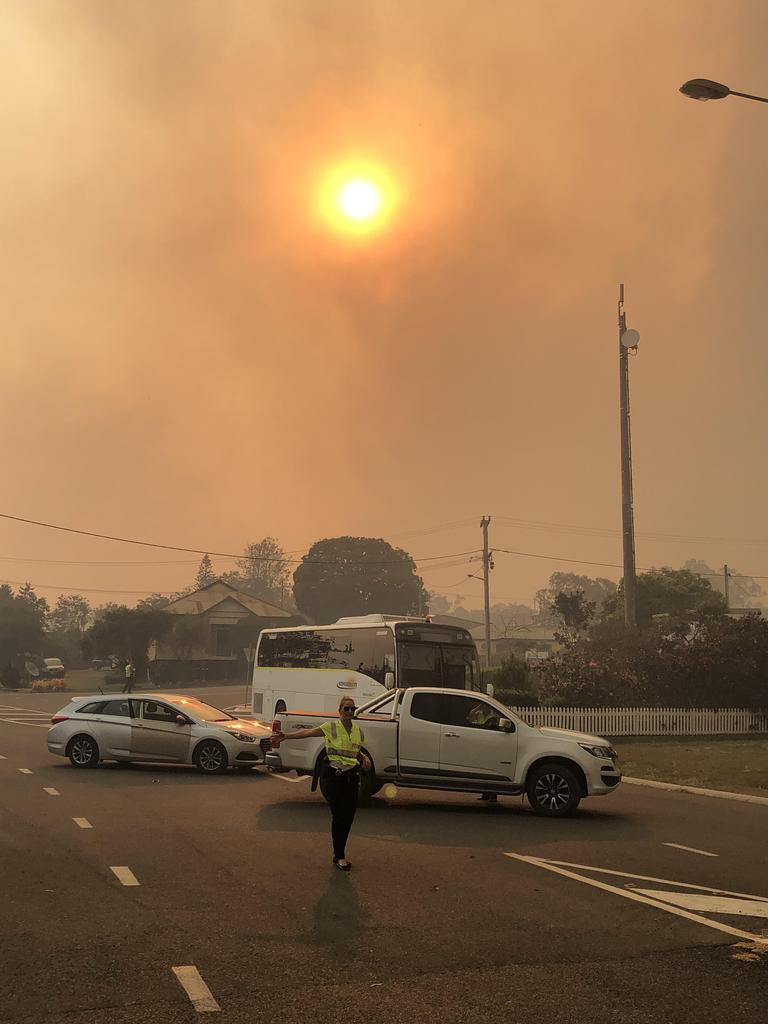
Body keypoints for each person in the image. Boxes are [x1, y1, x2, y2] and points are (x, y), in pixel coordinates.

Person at [272, 696, 371, 871]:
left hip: (352, 778)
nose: (349, 712)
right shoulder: (331, 727)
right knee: (339, 816)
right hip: (335, 778)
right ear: (339, 711)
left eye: (352, 709)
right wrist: (285, 736)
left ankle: (339, 852)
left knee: (349, 817)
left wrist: (363, 758)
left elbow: (355, 751)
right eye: (346, 708)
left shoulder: (357, 731)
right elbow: (307, 732)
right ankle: (339, 855)